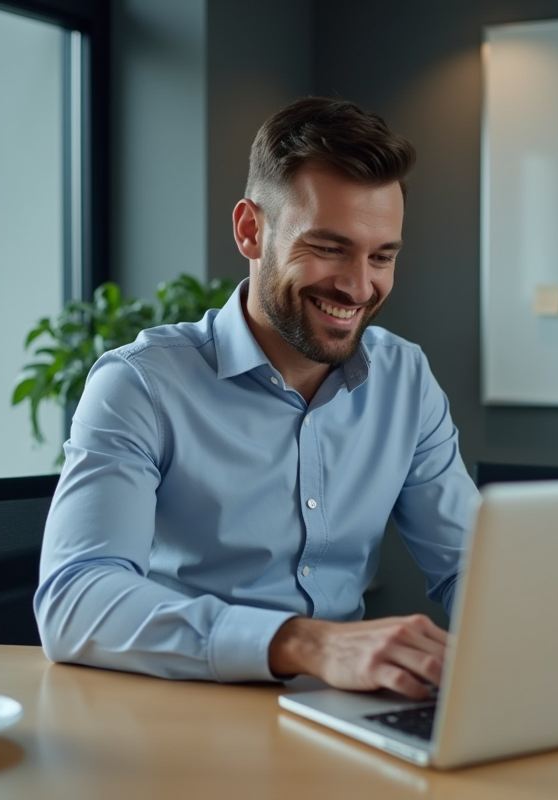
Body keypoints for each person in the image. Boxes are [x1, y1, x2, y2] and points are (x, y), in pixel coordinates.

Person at [35, 97, 478, 700]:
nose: (358, 286)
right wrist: (309, 643)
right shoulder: (139, 385)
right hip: (182, 712)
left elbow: (470, 567)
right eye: (328, 248)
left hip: (339, 712)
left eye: (382, 257)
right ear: (250, 230)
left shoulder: (406, 378)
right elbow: (75, 599)